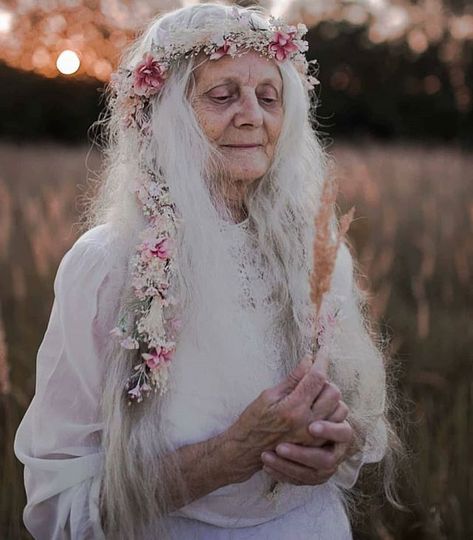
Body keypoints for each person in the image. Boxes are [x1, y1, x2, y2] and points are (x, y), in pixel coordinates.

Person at [14, 3, 399, 539]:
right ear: (162, 116)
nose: (252, 115)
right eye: (221, 96)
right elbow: (56, 508)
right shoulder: (104, 265)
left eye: (269, 97)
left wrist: (337, 445)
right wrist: (228, 456)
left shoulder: (315, 247)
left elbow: (359, 428)